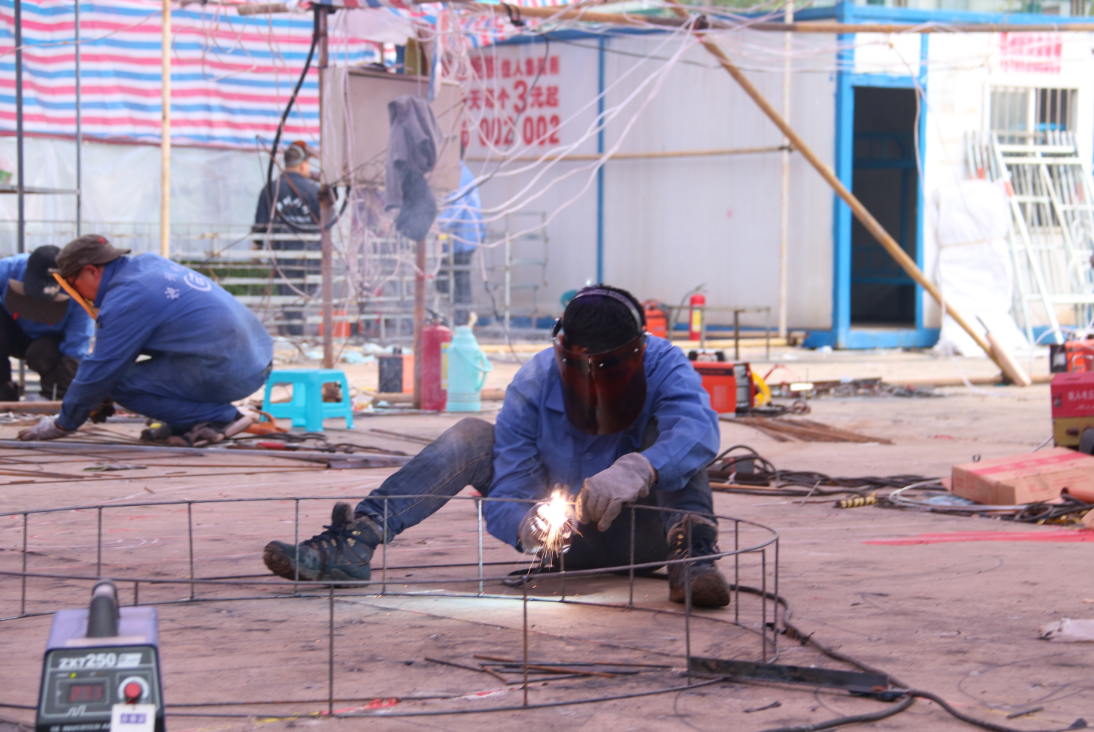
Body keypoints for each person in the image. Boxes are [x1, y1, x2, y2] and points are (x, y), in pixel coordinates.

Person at [263, 285, 732, 608]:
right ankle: (355, 541)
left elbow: (697, 431)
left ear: (639, 350)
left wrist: (639, 468)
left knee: (678, 446)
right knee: (471, 435)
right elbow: (510, 482)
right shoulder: (534, 382)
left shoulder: (666, 364)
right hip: (565, 543)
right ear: (561, 350)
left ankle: (694, 559)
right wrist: (527, 522)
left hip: (647, 534)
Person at [16, 235, 274, 446]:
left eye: (73, 286)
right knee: (123, 375)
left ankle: (222, 418)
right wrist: (95, 393)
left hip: (230, 369)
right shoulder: (149, 265)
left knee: (119, 383)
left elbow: (102, 369)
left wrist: (62, 423)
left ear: (91, 272)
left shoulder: (126, 298)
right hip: (255, 357)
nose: (76, 296)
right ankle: (190, 423)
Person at [0, 245, 94, 401]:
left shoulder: (78, 290)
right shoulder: (8, 269)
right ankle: (3, 389)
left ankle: (50, 393)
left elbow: (76, 347)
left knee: (41, 356)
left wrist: (58, 395)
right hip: (14, 333)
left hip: (49, 344)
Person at [253, 141, 320, 336]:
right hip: (312, 255)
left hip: (284, 254)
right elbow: (328, 223)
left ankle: (293, 331)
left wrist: (257, 248)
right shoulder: (314, 191)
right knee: (302, 294)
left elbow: (260, 224)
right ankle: (296, 331)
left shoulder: (271, 189)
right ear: (303, 165)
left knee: (289, 295)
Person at [437, 161, 485, 326]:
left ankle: (462, 319)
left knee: (458, 277)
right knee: (452, 278)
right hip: (461, 235)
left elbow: (456, 206)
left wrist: (437, 223)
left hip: (464, 235)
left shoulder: (457, 172)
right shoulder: (459, 170)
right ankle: (460, 314)